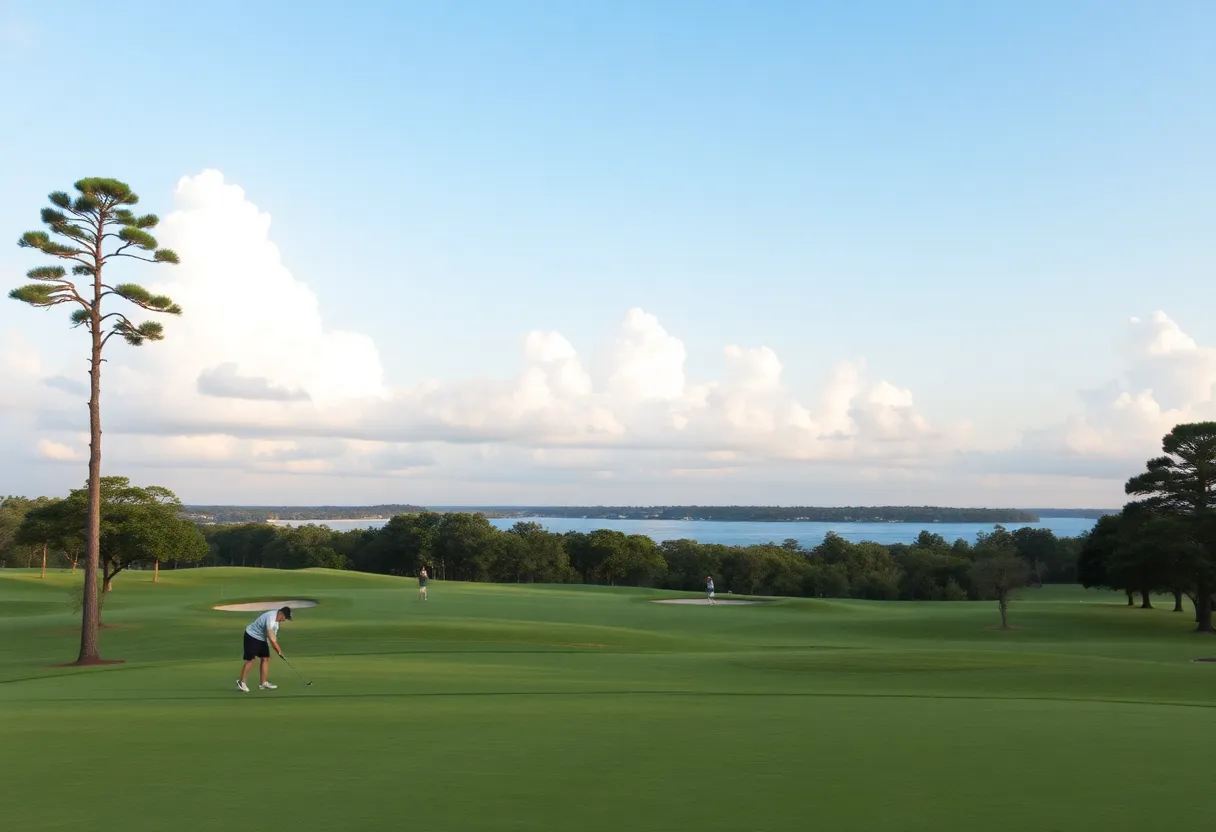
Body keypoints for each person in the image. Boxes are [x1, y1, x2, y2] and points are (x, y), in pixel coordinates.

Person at [237, 606, 291, 692]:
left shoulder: (276, 624)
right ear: (281, 613)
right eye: (285, 617)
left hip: (261, 638)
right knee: (251, 659)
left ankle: (263, 683)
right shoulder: (271, 618)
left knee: (265, 658)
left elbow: (272, 639)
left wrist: (278, 651)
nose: (284, 620)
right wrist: (279, 651)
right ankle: (241, 682)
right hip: (251, 635)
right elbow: (271, 638)